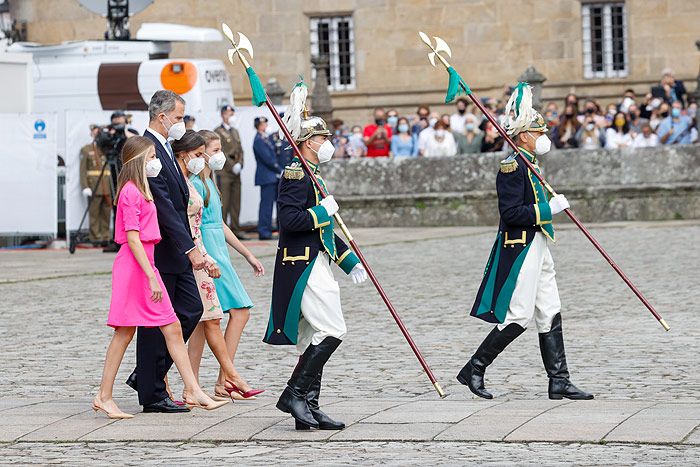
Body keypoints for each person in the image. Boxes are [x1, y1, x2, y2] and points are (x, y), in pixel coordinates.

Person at [458, 83, 593, 401]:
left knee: (550, 309)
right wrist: (549, 208)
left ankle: (559, 380)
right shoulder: (512, 167)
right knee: (519, 315)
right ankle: (474, 368)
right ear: (522, 135)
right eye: (537, 130)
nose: (543, 135)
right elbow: (512, 212)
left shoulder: (531, 165)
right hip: (521, 246)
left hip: (540, 243)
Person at [94, 136, 227, 419]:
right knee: (125, 332)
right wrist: (152, 278)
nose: (156, 162)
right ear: (136, 161)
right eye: (151, 157)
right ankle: (104, 396)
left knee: (172, 328)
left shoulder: (142, 190)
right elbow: (132, 239)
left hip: (148, 264)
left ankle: (194, 390)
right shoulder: (131, 191)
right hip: (136, 267)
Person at [266, 84, 368, 431]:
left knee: (313, 337)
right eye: (324, 138)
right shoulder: (296, 174)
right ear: (309, 142)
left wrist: (349, 260)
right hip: (302, 265)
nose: (329, 143)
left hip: (317, 260)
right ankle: (293, 395)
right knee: (333, 329)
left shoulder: (314, 174)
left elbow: (322, 233)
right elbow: (293, 222)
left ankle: (308, 406)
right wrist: (322, 211)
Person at [125, 90, 208, 414]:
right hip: (161, 249)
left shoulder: (165, 149)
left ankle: (147, 376)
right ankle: (152, 393)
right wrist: (189, 248)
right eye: (178, 118)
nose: (181, 123)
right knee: (154, 324)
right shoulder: (147, 149)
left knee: (189, 309)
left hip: (175, 249)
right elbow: (162, 207)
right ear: (162, 117)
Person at [188, 129, 266, 400]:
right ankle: (222, 379)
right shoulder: (196, 184)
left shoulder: (212, 181)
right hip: (209, 251)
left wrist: (247, 254)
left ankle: (202, 383)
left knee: (206, 320)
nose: (220, 154)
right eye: (216, 149)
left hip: (219, 248)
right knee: (237, 311)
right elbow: (199, 224)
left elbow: (221, 224)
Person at [214, 105, 247, 239]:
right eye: (228, 113)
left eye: (232, 113)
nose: (231, 116)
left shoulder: (235, 131)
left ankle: (235, 228)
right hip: (225, 171)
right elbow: (220, 151)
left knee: (235, 201)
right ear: (222, 115)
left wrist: (240, 163)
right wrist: (231, 165)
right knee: (225, 202)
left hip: (236, 171)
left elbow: (240, 150)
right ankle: (222, 230)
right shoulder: (217, 131)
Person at [80, 125, 112, 246]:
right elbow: (82, 170)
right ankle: (95, 237)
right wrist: (85, 186)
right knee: (94, 214)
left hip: (107, 186)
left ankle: (105, 236)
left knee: (106, 213)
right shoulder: (86, 149)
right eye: (94, 132)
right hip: (93, 186)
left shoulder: (106, 149)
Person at [253, 116, 280, 240]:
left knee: (269, 204)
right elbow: (268, 158)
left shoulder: (265, 138)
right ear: (258, 125)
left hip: (270, 176)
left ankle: (267, 230)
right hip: (266, 176)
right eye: (263, 124)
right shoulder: (259, 139)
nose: (266, 126)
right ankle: (264, 231)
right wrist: (279, 169)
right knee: (266, 205)